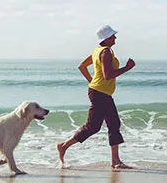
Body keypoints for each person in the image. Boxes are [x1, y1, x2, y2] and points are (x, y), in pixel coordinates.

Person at [57, 25, 136, 169]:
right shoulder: (105, 52)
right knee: (93, 127)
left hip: (99, 92)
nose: (115, 37)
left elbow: (82, 66)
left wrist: (92, 81)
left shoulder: (98, 51)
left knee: (113, 124)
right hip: (100, 94)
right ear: (106, 39)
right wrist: (127, 68)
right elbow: (108, 75)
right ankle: (63, 146)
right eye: (112, 36)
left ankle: (115, 161)